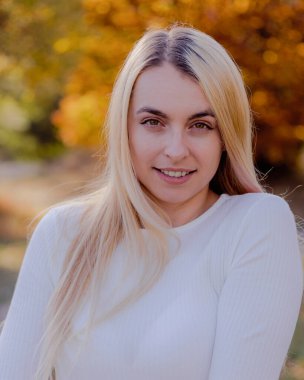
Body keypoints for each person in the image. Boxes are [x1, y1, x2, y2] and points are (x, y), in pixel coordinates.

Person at [0, 25, 303, 380]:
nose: (176, 150)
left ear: (226, 136)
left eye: (201, 125)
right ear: (123, 128)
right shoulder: (62, 233)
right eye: (153, 122)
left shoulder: (254, 225)